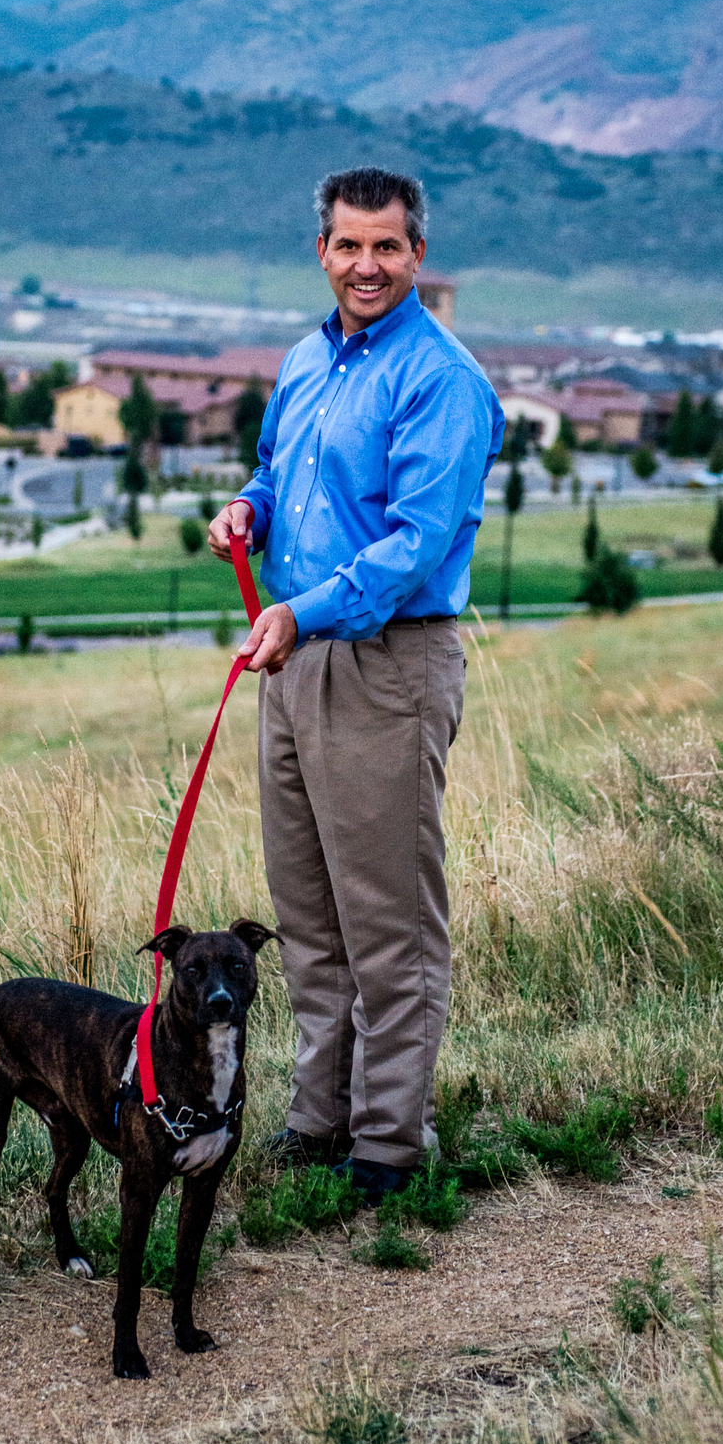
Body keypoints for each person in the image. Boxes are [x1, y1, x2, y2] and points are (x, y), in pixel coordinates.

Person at [207, 165, 505, 1202]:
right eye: (348, 245)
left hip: (384, 663)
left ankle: (386, 1146)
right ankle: (317, 1119)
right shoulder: (305, 360)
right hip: (293, 658)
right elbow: (278, 472)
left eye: (387, 247)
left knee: (387, 919)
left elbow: (418, 543)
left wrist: (304, 611)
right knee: (310, 913)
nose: (367, 265)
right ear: (322, 251)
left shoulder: (441, 378)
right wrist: (246, 510)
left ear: (417, 255)